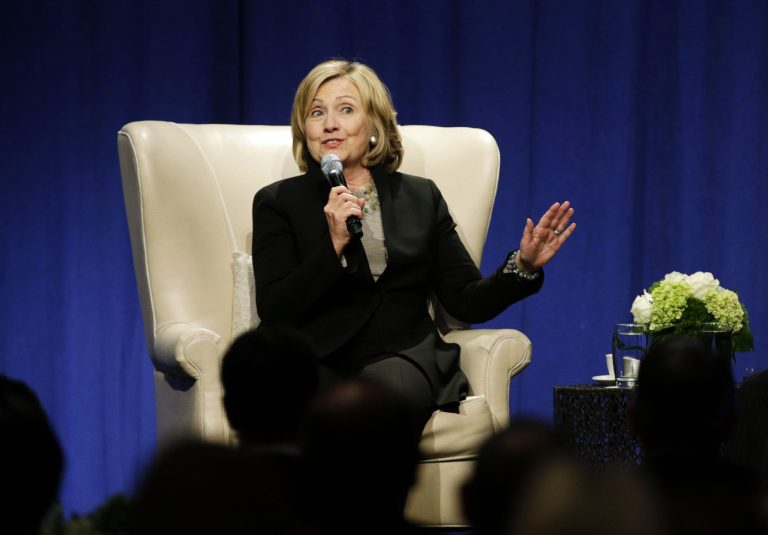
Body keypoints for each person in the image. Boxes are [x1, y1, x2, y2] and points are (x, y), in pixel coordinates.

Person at [251, 59, 575, 434]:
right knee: (316, 413)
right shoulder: (278, 202)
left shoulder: (420, 196)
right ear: (303, 128)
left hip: (401, 356)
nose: (329, 124)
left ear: (373, 124)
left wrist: (523, 265)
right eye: (316, 112)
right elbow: (275, 309)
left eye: (346, 109)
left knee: (373, 407)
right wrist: (334, 245)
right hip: (318, 359)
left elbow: (464, 299)